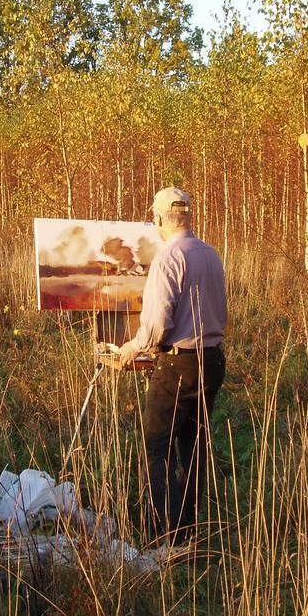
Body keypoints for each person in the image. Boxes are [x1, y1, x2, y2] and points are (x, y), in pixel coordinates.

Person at [117, 187, 227, 545]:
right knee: (193, 448)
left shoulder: (168, 258)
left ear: (161, 218)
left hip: (178, 365)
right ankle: (188, 532)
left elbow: (156, 326)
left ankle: (161, 535)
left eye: (155, 218)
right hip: (211, 361)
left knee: (157, 448)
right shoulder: (210, 255)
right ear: (188, 216)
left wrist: (133, 348)